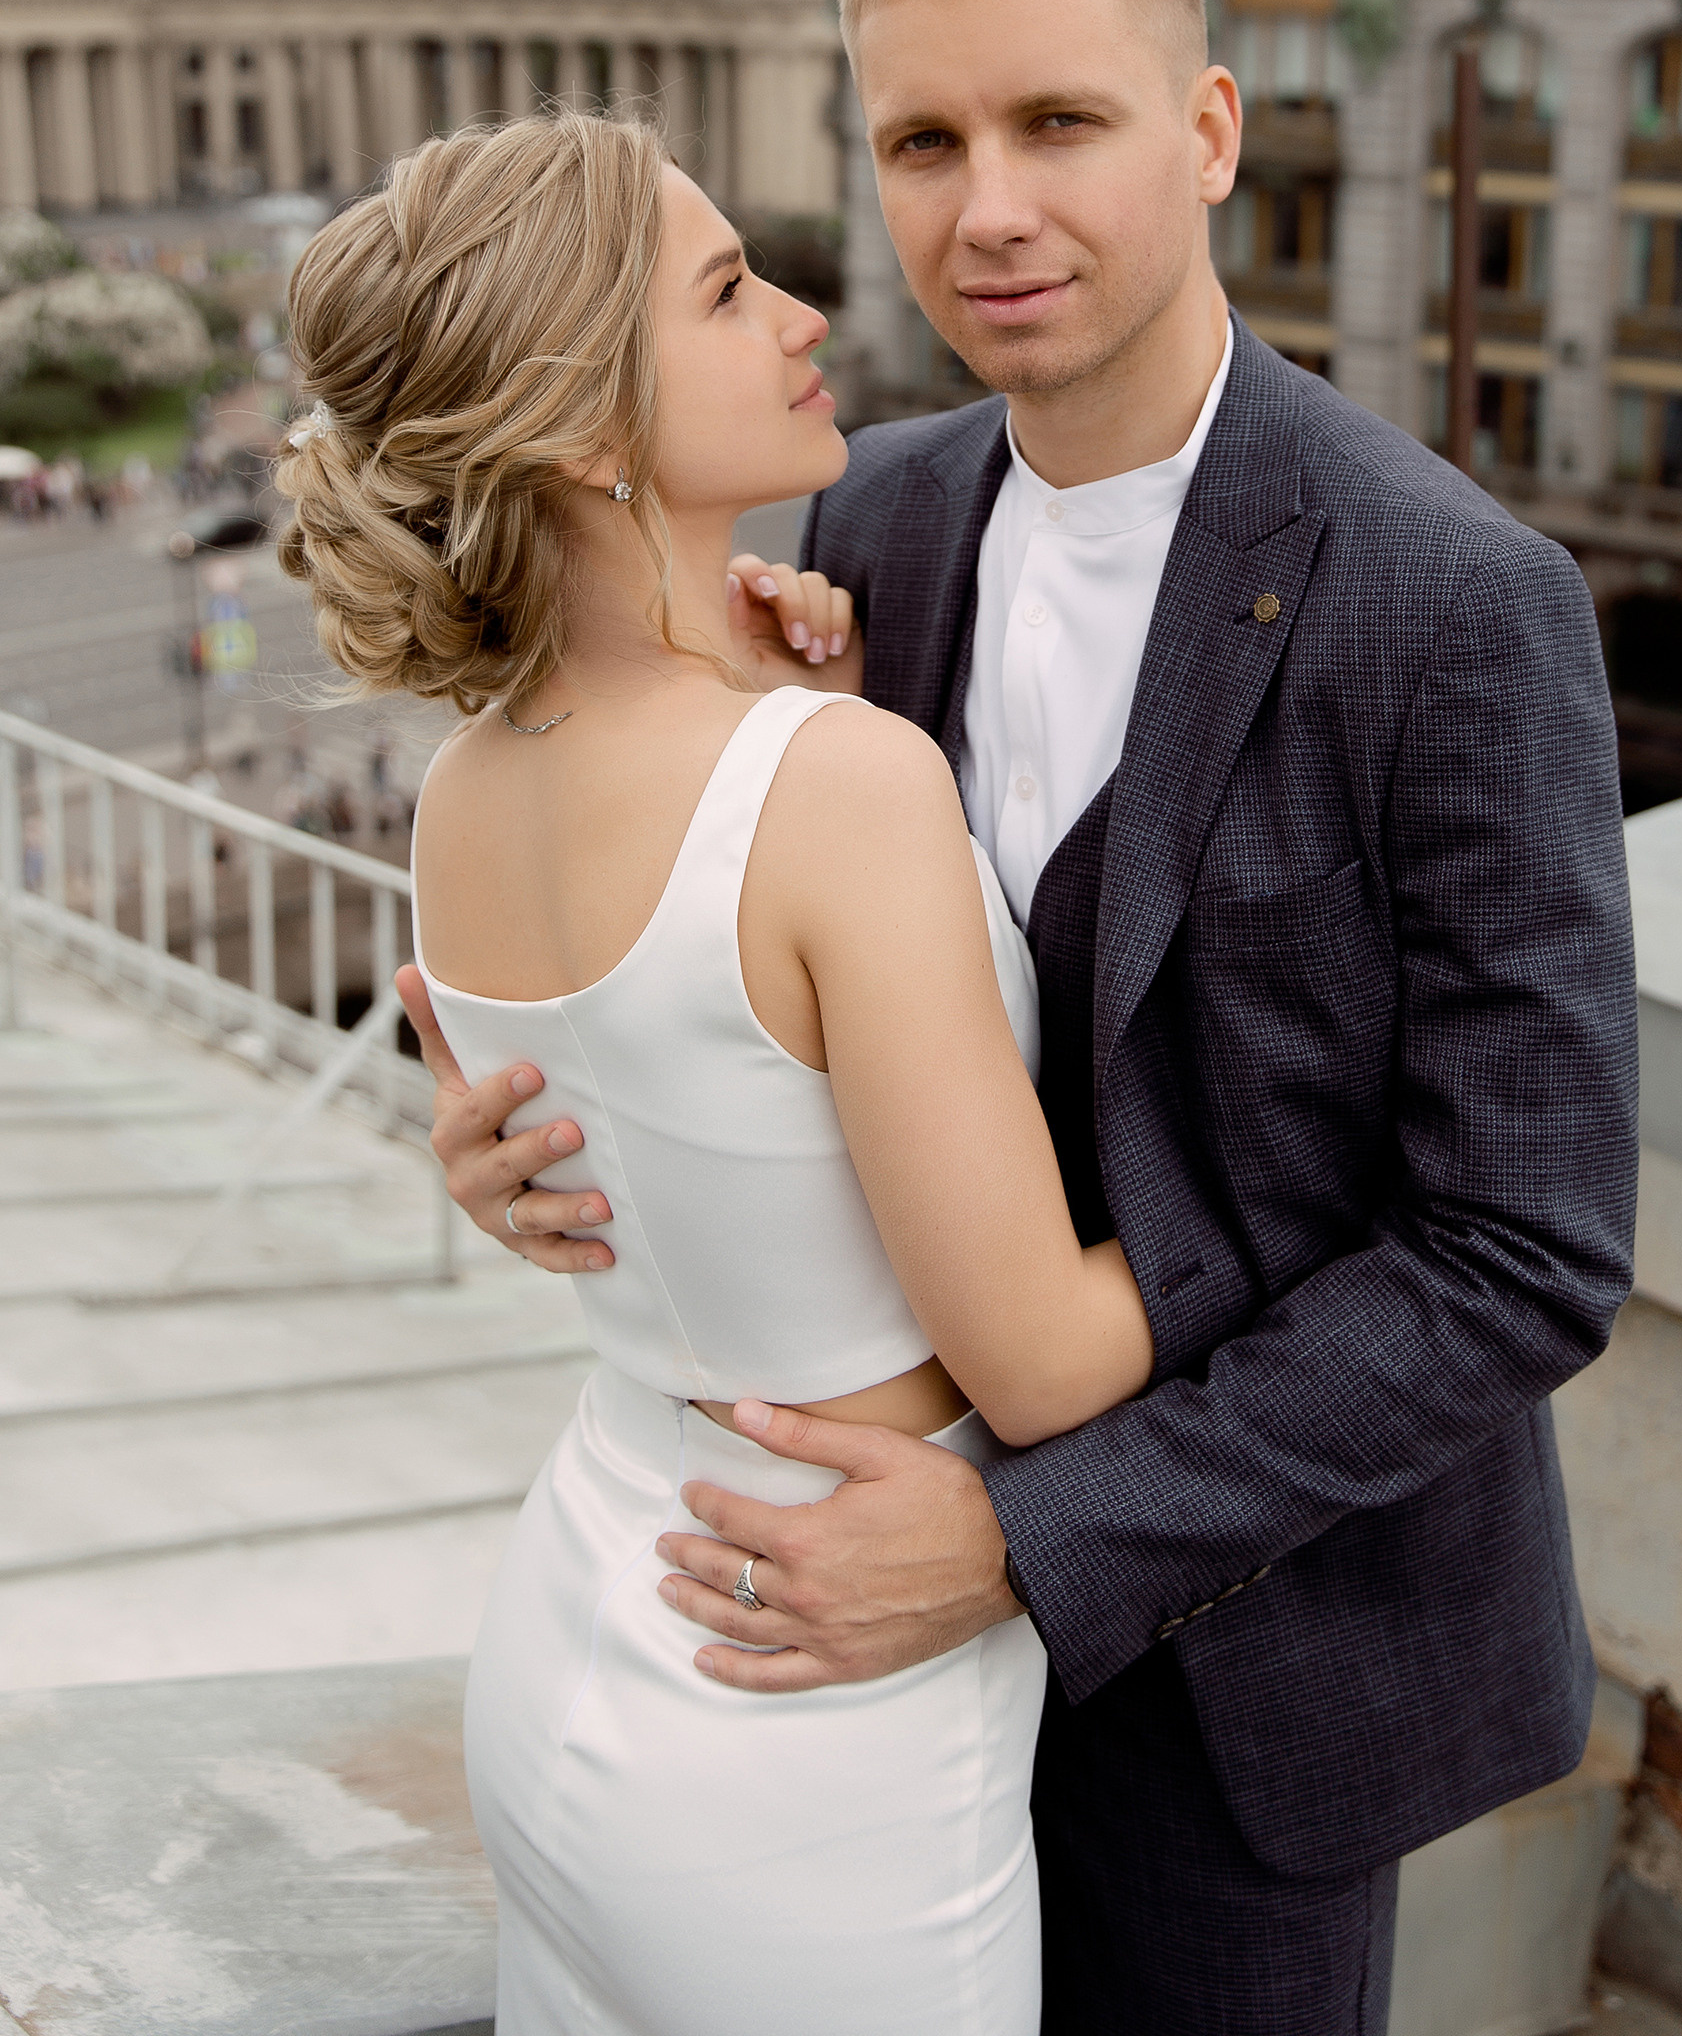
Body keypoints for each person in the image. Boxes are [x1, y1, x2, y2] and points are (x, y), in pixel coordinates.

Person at [423, 0, 1640, 2036]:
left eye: (1060, 122)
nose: (987, 208)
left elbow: (1523, 1247)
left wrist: (1024, 1542)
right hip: (816, 1677)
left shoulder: (1455, 602)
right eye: (923, 141)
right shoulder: (857, 519)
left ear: (1209, 131)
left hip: (1248, 1679)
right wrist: (548, 1136)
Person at [278, 108, 1161, 2035]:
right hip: (809, 1728)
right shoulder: (838, 788)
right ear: (584, 428)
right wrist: (1338, 1191)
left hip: (594, 1606)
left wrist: (790, 714)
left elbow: (697, 1113)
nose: (800, 312)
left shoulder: (464, 789)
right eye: (726, 288)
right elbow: (1035, 1366)